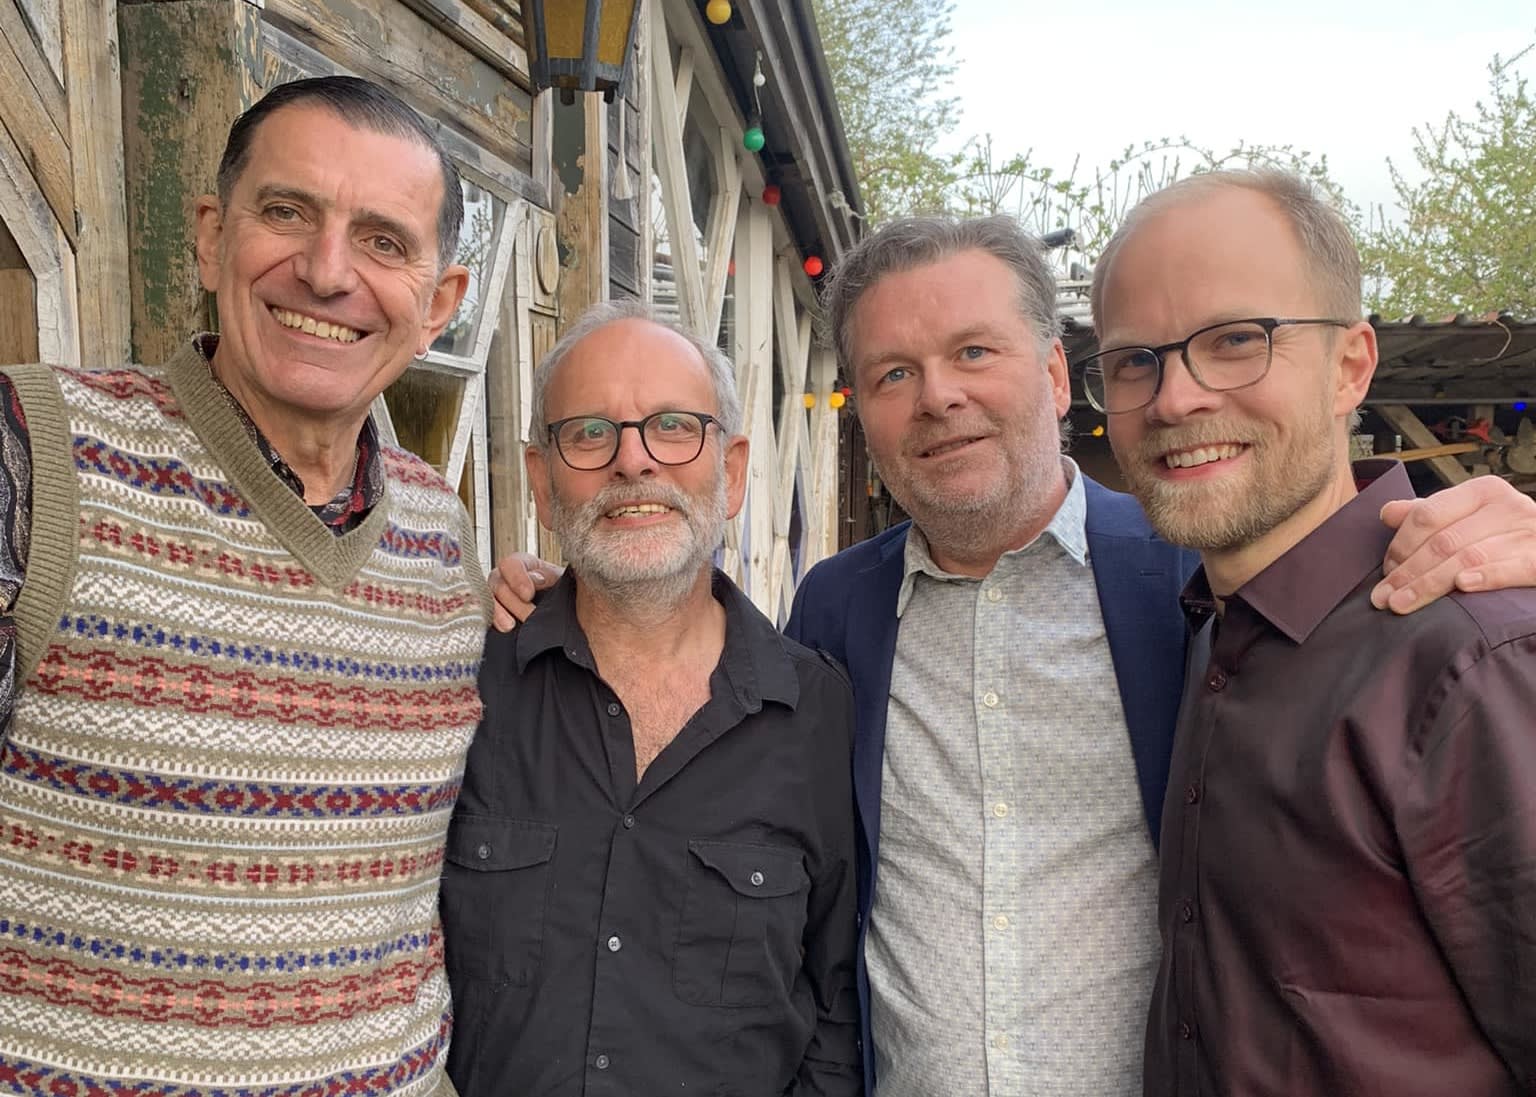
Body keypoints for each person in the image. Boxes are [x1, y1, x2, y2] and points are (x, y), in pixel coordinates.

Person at [490, 218, 1536, 1097]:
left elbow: (1323, 550)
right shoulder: (835, 612)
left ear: (1054, 373)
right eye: (894, 373)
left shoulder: (1190, 575)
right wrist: (561, 598)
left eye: (974, 352)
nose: (937, 395)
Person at [0, 77, 487, 1093]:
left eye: (383, 240)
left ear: (439, 305)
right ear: (213, 236)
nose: (327, 271)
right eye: (288, 212)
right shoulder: (36, 456)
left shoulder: (441, 534)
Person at [1088, 170, 1536, 1097]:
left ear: (1351, 366)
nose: (1174, 399)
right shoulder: (1209, 633)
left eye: (1236, 340)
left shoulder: (1472, 658)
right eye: (1135, 360)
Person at [442, 300, 861, 1096]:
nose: (632, 461)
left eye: (672, 426)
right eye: (589, 432)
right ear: (542, 481)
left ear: (730, 470)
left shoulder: (816, 712)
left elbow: (836, 1002)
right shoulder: (464, 680)